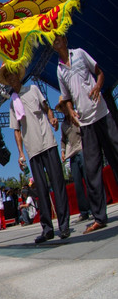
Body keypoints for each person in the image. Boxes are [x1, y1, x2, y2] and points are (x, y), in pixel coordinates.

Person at [0, 64, 70, 243]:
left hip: (47, 142)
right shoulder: (12, 103)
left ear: (19, 76)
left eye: (14, 75)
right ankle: (47, 228)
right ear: (7, 81)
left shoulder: (33, 89)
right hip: (32, 149)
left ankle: (64, 225)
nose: (12, 79)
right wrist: (20, 153)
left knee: (57, 184)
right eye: (8, 77)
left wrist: (52, 118)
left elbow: (47, 108)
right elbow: (16, 130)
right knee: (40, 190)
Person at [54, 33, 117, 234]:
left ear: (65, 40)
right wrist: (71, 110)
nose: (56, 42)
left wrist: (98, 87)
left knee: (116, 156)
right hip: (86, 124)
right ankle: (99, 217)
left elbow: (100, 73)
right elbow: (66, 97)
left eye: (58, 38)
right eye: (53, 41)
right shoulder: (59, 70)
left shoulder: (80, 54)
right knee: (91, 171)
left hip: (103, 114)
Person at [56, 97, 91, 222]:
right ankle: (84, 211)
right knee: (78, 185)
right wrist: (63, 152)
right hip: (73, 155)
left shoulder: (76, 115)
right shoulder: (63, 124)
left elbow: (85, 130)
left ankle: (94, 207)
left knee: (89, 180)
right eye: (62, 108)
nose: (64, 109)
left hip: (82, 150)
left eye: (65, 106)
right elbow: (63, 140)